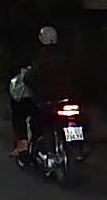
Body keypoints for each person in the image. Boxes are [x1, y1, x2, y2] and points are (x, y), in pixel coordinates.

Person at [10, 25, 78, 157]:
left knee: (19, 109)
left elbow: (32, 79)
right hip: (70, 98)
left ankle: (23, 146)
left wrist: (27, 76)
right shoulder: (66, 55)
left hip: (48, 101)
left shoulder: (42, 58)